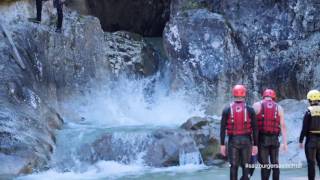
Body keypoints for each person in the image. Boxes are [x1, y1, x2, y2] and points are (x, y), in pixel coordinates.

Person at [220, 85, 258, 180]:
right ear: (244, 94)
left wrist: (222, 145)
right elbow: (255, 129)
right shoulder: (250, 109)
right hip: (247, 140)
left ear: (233, 94)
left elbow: (222, 128)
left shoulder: (226, 109)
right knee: (246, 166)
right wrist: (255, 145)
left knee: (233, 166)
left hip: (233, 141)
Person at [253, 89, 288, 180]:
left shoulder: (257, 105)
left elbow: (251, 125)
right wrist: (285, 143)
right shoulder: (279, 108)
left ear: (264, 96)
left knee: (264, 165)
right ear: (273, 97)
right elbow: (283, 126)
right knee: (275, 163)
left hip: (262, 139)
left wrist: (252, 142)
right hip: (275, 139)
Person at [299, 90, 320, 180]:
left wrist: (301, 140)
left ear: (309, 100)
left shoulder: (309, 111)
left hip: (311, 140)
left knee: (311, 163)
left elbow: (305, 128)